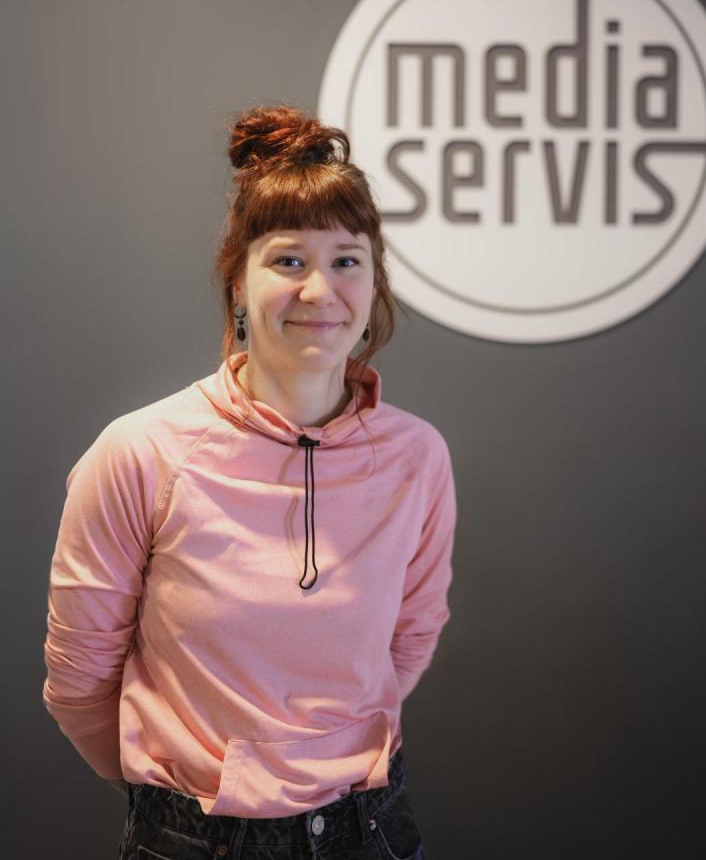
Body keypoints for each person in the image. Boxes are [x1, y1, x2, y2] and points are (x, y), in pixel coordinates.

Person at [41, 105, 457, 860]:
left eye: (346, 261)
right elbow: (79, 683)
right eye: (288, 261)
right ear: (238, 283)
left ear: (373, 285)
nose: (319, 291)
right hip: (194, 836)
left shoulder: (417, 457)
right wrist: (178, 801)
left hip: (373, 829)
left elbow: (411, 637)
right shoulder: (140, 453)